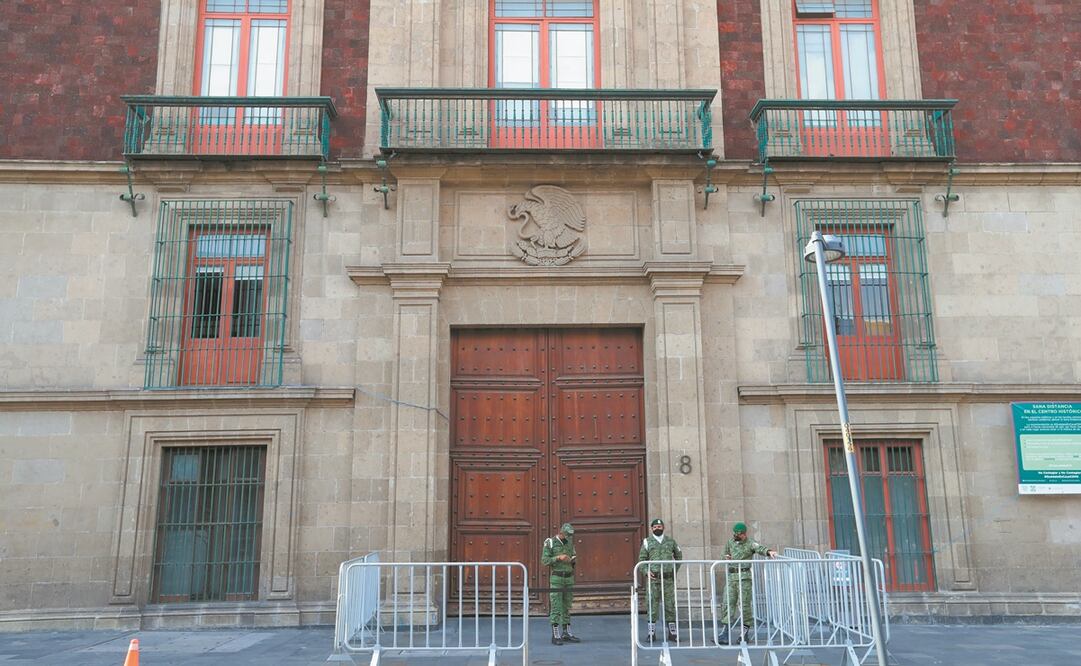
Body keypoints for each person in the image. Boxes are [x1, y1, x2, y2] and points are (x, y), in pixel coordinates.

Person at [718, 522, 777, 644]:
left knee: (744, 605)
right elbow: (723, 555)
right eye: (735, 534)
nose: (736, 536)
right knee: (728, 603)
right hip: (732, 577)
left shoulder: (750, 543)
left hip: (744, 577)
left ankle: (744, 634)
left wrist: (769, 552)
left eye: (739, 535)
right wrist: (726, 558)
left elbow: (759, 548)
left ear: (744, 534)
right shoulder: (730, 542)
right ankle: (724, 634)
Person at [637, 518, 682, 643]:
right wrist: (646, 572)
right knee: (652, 605)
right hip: (654, 579)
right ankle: (651, 632)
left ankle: (672, 633)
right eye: (655, 527)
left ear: (663, 527)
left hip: (668, 579)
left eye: (659, 526)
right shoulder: (647, 542)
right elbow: (641, 560)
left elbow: (679, 556)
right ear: (651, 529)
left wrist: (674, 570)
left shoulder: (671, 542)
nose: (657, 529)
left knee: (670, 605)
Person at [541, 522, 580, 645]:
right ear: (561, 532)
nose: (568, 536)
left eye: (570, 535)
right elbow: (545, 561)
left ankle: (566, 632)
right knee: (556, 606)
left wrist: (572, 560)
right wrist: (558, 558)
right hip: (557, 578)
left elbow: (574, 557)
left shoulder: (569, 543)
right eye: (567, 534)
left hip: (569, 578)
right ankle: (555, 634)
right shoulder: (550, 543)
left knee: (567, 606)